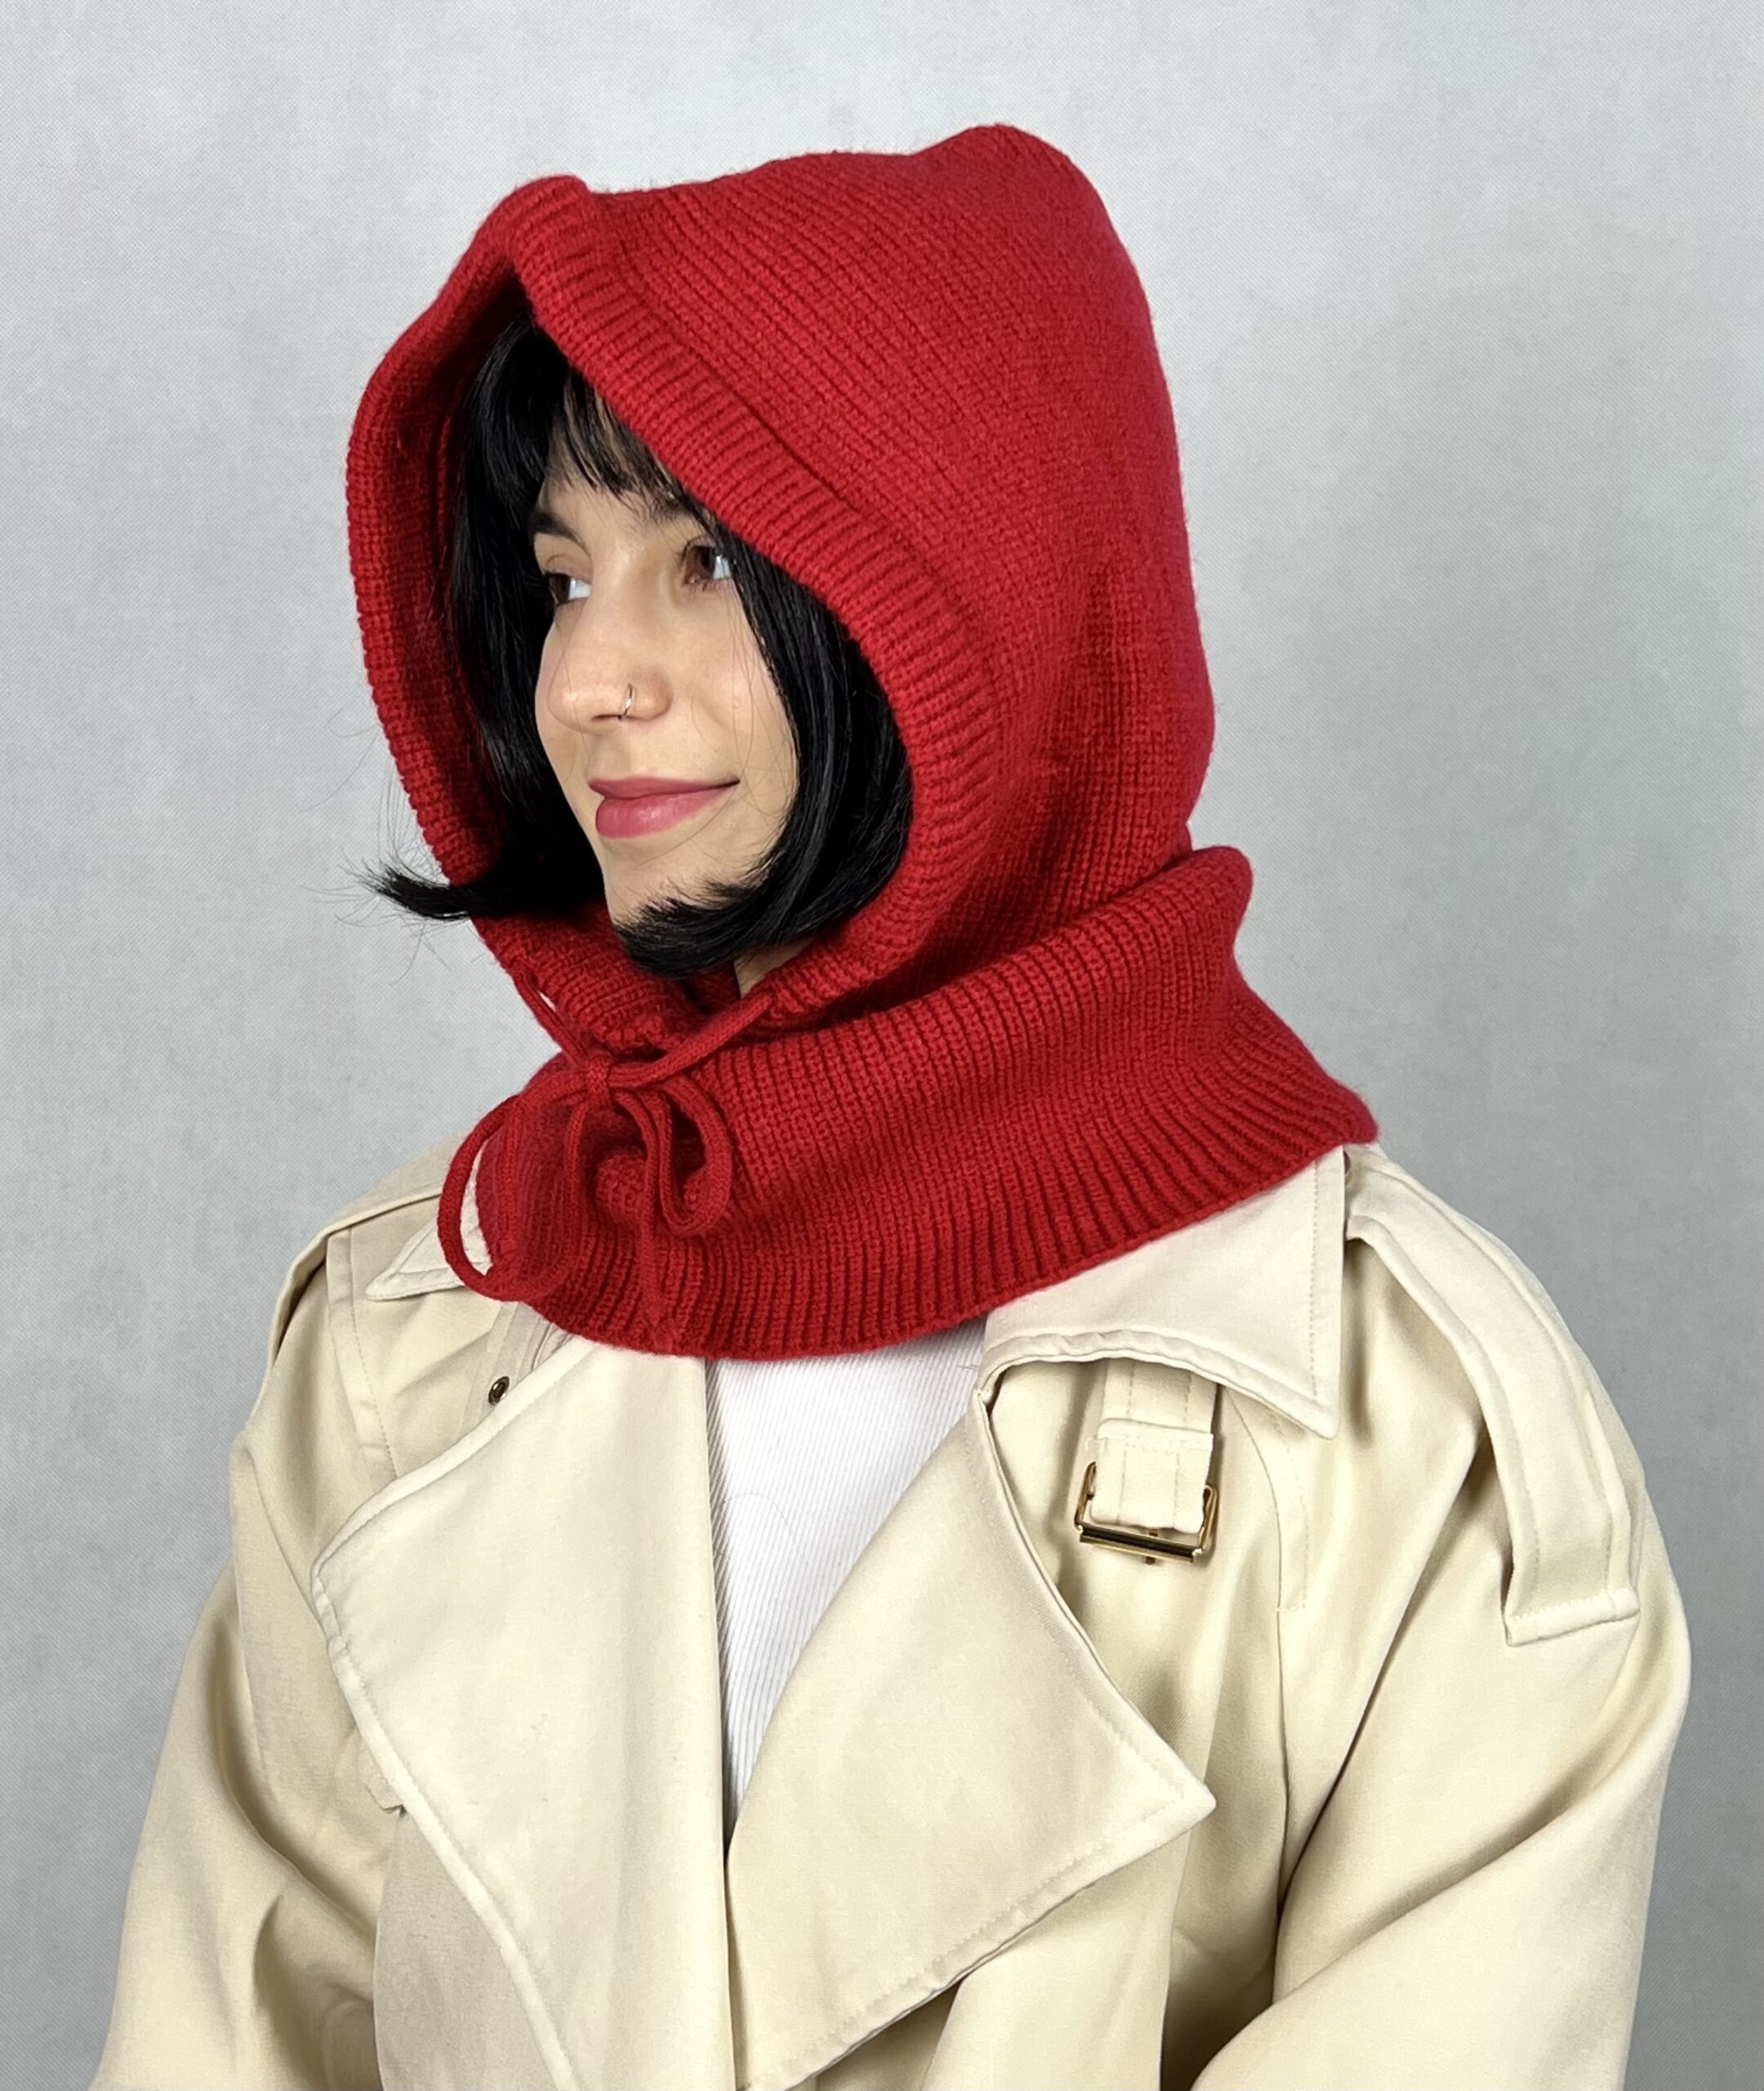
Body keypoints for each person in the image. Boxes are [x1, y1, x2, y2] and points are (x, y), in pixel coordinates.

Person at [90, 124, 1691, 2091]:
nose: (587, 678)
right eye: (563, 576)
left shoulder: (1419, 1429)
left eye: (705, 564)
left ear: (984, 606)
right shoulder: (414, 1332)